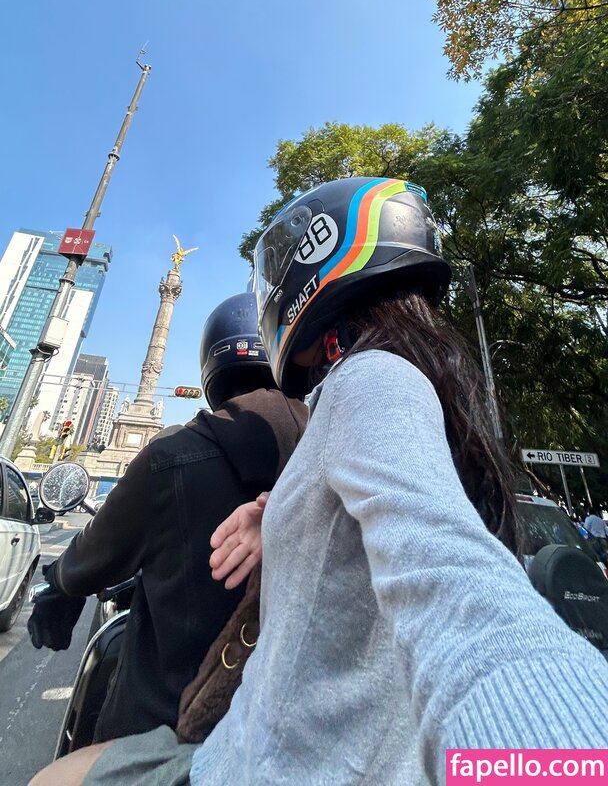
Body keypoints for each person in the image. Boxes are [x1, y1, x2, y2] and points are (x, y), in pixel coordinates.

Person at [29, 178, 608, 786]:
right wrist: (283, 516)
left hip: (264, 765)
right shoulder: (382, 396)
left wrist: (558, 759)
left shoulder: (369, 378)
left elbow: (453, 580)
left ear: (315, 265)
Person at [27, 292, 306, 742]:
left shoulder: (170, 457)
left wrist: (60, 581)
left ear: (212, 364)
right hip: (300, 734)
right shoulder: (335, 458)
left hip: (166, 733)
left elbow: (93, 554)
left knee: (54, 776)